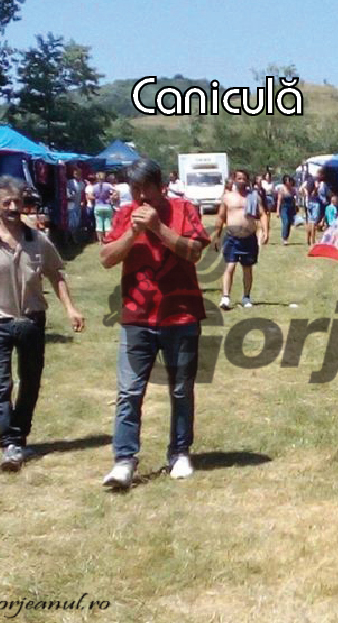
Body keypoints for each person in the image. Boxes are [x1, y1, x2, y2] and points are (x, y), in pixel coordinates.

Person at [0, 176, 85, 472]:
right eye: (7, 203)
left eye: (18, 202)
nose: (14, 207)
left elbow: (56, 275)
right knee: (0, 383)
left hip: (31, 321)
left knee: (30, 381)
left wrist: (70, 308)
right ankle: (9, 442)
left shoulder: (38, 240)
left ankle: (19, 435)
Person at [99, 158, 210, 489]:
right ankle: (124, 460)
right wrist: (133, 233)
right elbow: (106, 258)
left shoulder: (183, 209)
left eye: (145, 188)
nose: (140, 196)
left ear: (160, 186)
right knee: (129, 391)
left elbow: (194, 252)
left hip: (181, 315)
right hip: (137, 317)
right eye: (134, 189)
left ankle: (180, 452)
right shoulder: (125, 215)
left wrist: (159, 228)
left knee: (181, 388)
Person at [212, 169, 269, 309]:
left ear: (248, 180)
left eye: (244, 178)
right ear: (234, 179)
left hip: (249, 237)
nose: (241, 181)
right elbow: (221, 217)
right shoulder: (227, 197)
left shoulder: (254, 197)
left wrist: (265, 231)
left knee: (247, 268)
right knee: (230, 266)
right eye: (239, 178)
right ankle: (225, 297)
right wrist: (217, 235)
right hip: (232, 237)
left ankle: (246, 297)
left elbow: (262, 214)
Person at [92, 172, 116, 243]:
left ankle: (100, 241)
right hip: (107, 206)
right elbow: (116, 191)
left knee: (98, 224)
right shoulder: (108, 185)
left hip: (98, 206)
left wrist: (96, 198)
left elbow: (91, 195)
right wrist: (111, 197)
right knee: (107, 224)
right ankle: (107, 239)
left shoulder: (94, 187)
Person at [276, 175, 298, 245]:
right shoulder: (282, 189)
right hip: (284, 207)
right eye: (288, 181)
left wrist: (295, 208)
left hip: (291, 207)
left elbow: (294, 200)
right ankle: (284, 238)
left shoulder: (293, 190)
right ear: (285, 181)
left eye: (290, 180)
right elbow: (279, 200)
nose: (290, 182)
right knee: (286, 221)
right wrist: (277, 211)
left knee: (289, 223)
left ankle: (286, 237)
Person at [66, 168, 86, 243]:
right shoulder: (70, 182)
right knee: (71, 222)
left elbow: (83, 193)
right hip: (71, 203)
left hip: (78, 204)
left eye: (78, 174)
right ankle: (70, 237)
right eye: (75, 174)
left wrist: (83, 201)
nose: (76, 175)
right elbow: (67, 193)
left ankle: (75, 237)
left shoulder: (82, 183)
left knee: (77, 221)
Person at [304, 178, 322, 246]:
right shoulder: (315, 180)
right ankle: (313, 240)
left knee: (309, 221)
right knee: (314, 222)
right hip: (315, 202)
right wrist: (315, 189)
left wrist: (306, 192)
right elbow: (317, 186)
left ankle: (308, 239)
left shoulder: (307, 181)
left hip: (308, 202)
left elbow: (302, 188)